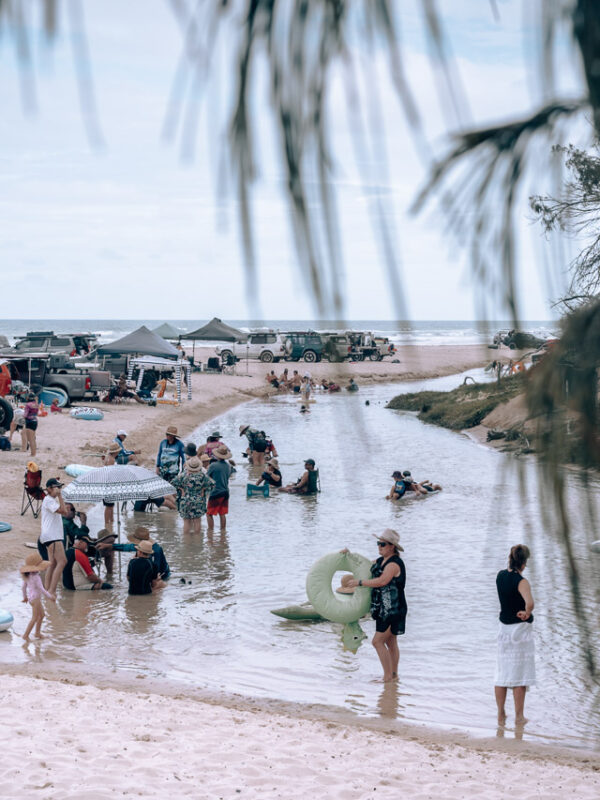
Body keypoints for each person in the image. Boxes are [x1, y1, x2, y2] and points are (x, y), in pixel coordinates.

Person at [346, 529, 407, 683]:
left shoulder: (393, 564)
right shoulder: (381, 561)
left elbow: (382, 581)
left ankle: (387, 677)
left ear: (392, 546)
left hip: (393, 608)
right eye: (378, 543)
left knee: (377, 641)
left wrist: (359, 583)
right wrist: (348, 555)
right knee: (390, 641)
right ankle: (394, 675)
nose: (379, 547)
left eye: (382, 544)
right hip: (383, 608)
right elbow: (363, 564)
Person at [495, 544, 535, 727]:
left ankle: (501, 714)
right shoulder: (522, 581)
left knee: (502, 672)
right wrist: (526, 612)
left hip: (503, 629)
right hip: (519, 630)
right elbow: (530, 603)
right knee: (520, 675)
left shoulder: (500, 576)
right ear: (524, 562)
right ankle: (519, 717)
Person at [171, 456, 215, 534]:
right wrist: (203, 489)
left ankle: (186, 541)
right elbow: (212, 484)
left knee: (186, 521)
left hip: (185, 500)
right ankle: (197, 541)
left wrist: (181, 489)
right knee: (197, 521)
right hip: (198, 500)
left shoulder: (183, 475)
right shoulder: (202, 475)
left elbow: (173, 483)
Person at [40, 478, 68, 595]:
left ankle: (47, 589)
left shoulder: (50, 500)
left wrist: (59, 495)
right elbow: (64, 511)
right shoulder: (49, 500)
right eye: (56, 488)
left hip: (49, 535)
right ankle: (51, 590)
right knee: (62, 561)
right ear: (49, 488)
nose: (58, 490)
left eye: (59, 488)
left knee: (53, 564)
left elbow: (62, 511)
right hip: (52, 536)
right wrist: (61, 496)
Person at [20, 553, 55, 640]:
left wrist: (25, 597)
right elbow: (42, 589)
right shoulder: (36, 577)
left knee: (42, 615)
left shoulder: (27, 576)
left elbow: (23, 587)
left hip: (32, 599)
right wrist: (50, 597)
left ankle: (37, 633)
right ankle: (25, 635)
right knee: (35, 618)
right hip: (36, 599)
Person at [207, 445, 233, 531]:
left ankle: (210, 532)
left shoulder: (213, 465)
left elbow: (207, 477)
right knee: (222, 513)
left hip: (216, 492)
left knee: (209, 513)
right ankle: (223, 533)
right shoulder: (229, 466)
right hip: (225, 491)